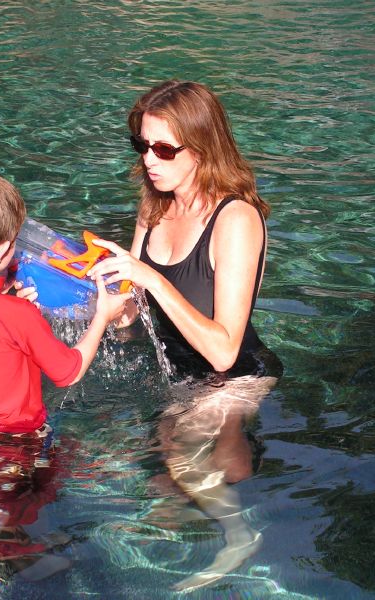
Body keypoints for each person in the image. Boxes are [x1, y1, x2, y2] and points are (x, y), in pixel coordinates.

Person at [87, 80, 282, 591]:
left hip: (236, 374)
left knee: (184, 455)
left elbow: (223, 351)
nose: (150, 160)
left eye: (165, 148)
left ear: (202, 147)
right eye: (142, 144)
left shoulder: (236, 219)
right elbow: (132, 316)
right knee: (170, 475)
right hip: (177, 373)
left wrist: (149, 277)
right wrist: (79, 296)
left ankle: (242, 538)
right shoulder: (154, 205)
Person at [0, 162, 129, 575]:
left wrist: (9, 298)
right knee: (35, 504)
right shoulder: (17, 314)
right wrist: (101, 317)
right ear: (0, 250)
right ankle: (13, 556)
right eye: (14, 244)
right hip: (17, 443)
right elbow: (68, 371)